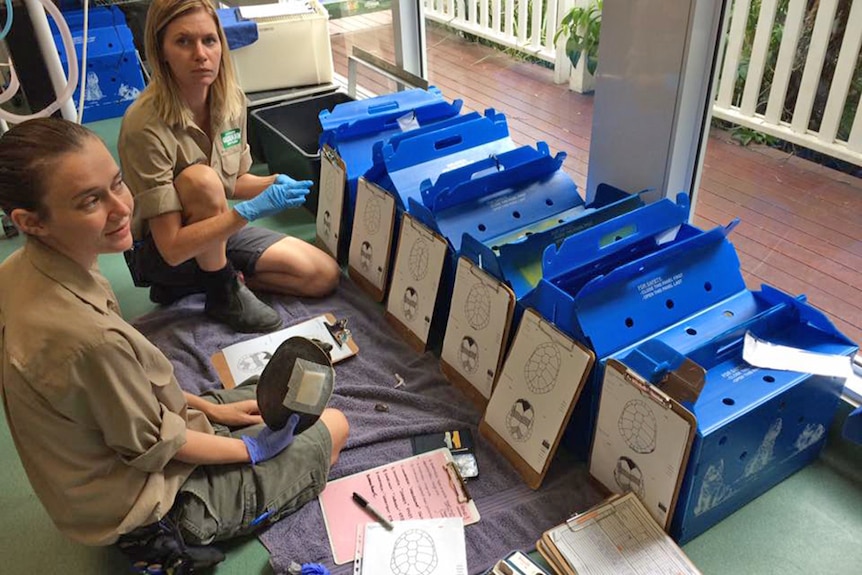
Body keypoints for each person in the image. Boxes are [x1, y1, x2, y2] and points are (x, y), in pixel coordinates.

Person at [0, 118, 350, 571]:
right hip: (147, 504)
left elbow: (123, 400)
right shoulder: (87, 340)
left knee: (278, 401)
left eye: (117, 184)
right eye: (90, 200)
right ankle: (157, 544)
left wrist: (217, 413)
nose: (121, 207)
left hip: (119, 446)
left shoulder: (18, 271)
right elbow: (160, 444)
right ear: (31, 222)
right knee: (334, 426)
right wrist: (252, 450)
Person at [118, 0, 340, 334]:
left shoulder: (231, 100)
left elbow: (232, 182)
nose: (200, 54)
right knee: (200, 180)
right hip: (163, 252)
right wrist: (248, 212)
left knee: (321, 275)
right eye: (183, 41)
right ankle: (222, 289)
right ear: (160, 50)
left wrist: (274, 183)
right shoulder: (143, 126)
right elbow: (173, 247)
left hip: (213, 233)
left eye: (209, 40)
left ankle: (206, 280)